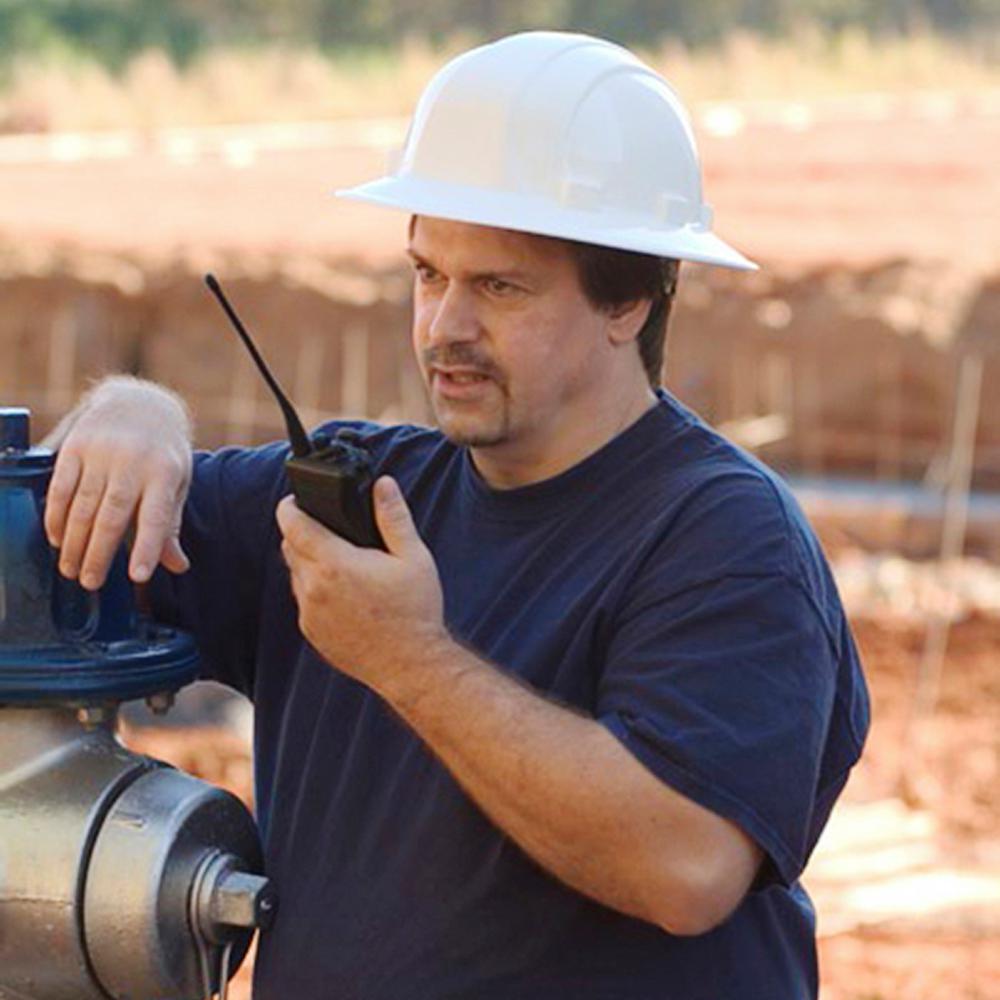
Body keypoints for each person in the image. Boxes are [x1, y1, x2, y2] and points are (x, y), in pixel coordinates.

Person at [44, 31, 869, 1000]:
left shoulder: (726, 539)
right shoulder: (354, 492)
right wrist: (133, 415)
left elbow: (682, 864)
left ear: (632, 299)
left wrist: (405, 657)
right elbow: (55, 550)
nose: (444, 327)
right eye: (428, 274)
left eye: (498, 286)